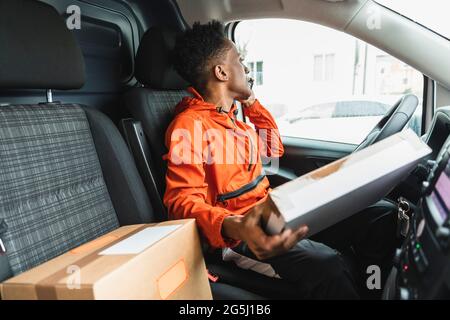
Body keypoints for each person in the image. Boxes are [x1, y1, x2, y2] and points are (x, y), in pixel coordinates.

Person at [163, 20, 397, 299]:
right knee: (327, 265)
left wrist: (250, 102)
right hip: (244, 232)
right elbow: (181, 202)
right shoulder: (189, 125)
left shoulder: (232, 119)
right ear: (222, 72)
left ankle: (374, 290)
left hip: (274, 211)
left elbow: (272, 149)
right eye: (239, 60)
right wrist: (235, 224)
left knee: (380, 213)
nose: (246, 68)